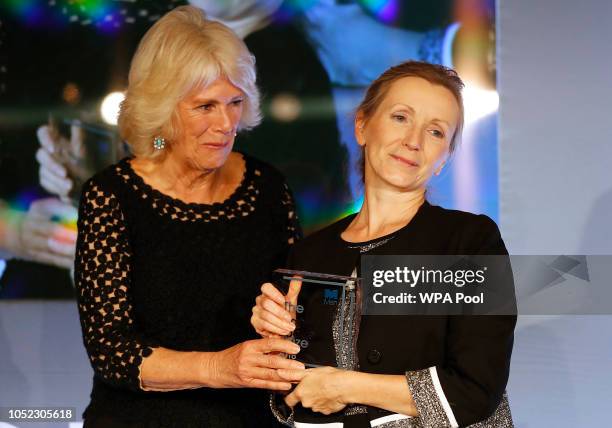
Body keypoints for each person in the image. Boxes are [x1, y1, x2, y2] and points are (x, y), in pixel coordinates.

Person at [74, 6, 305, 427]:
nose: (225, 124)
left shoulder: (269, 188)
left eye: (235, 103)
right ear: (163, 109)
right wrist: (221, 368)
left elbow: (298, 305)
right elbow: (111, 352)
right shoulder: (111, 196)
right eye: (204, 107)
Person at [251, 61, 516, 427]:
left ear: (445, 159)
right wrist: (272, 337)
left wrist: (346, 387)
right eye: (401, 117)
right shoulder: (309, 254)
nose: (414, 141)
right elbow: (290, 393)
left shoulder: (471, 242)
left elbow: (474, 390)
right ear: (362, 126)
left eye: (436, 132)